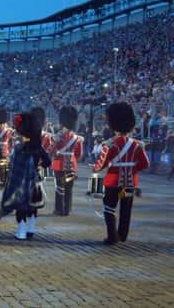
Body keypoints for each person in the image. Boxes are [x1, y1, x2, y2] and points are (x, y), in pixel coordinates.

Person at [93, 102, 149, 245]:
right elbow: (145, 164)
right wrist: (131, 169)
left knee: (109, 207)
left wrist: (95, 167)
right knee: (126, 209)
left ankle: (112, 237)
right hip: (130, 183)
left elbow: (101, 165)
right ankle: (122, 235)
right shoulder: (137, 144)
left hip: (113, 182)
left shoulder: (110, 144)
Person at [0, 112, 51, 240]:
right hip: (34, 180)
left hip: (20, 183)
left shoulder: (19, 147)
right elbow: (48, 162)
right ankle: (31, 230)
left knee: (21, 206)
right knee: (33, 206)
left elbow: (13, 165)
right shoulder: (38, 147)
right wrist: (38, 166)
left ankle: (21, 231)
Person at [49, 106, 83, 216]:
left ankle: (59, 209)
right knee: (69, 188)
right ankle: (67, 209)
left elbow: (51, 150)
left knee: (60, 187)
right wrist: (73, 159)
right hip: (72, 165)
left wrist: (53, 156)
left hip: (59, 164)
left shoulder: (58, 136)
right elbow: (79, 154)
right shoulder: (77, 138)